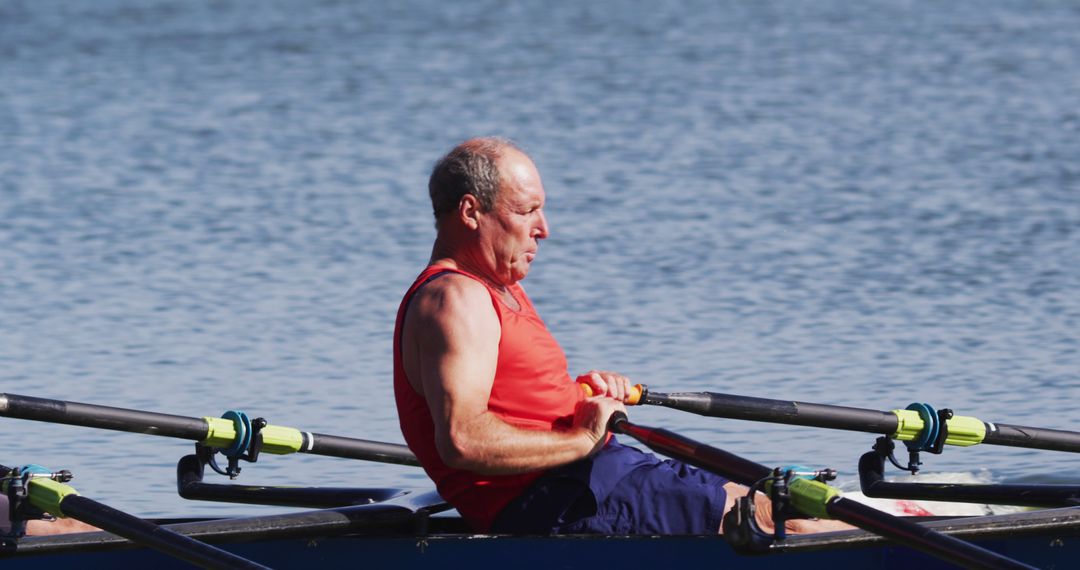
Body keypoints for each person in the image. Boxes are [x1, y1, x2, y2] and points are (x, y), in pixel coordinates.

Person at [394, 137, 847, 535]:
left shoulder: (497, 287)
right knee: (778, 522)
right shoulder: (455, 299)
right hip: (555, 500)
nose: (544, 229)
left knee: (781, 503)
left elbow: (514, 402)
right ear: (471, 211)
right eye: (526, 210)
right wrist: (580, 438)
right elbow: (463, 440)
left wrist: (580, 395)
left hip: (592, 476)